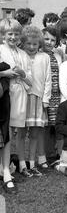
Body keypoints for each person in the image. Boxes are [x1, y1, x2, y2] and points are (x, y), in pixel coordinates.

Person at [17, 26, 51, 176]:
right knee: (21, 133)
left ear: (39, 44)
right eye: (28, 44)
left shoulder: (44, 57)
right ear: (23, 43)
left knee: (35, 133)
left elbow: (48, 79)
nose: (31, 47)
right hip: (22, 98)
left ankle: (32, 163)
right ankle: (22, 164)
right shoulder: (20, 55)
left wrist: (46, 99)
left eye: (35, 44)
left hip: (38, 99)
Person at [0, 19, 32, 177]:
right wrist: (6, 73)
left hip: (20, 94)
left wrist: (23, 73)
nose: (13, 37)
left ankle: (20, 162)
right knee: (4, 131)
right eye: (9, 34)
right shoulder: (0, 50)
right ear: (3, 35)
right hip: (4, 94)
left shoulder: (23, 54)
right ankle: (3, 166)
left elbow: (30, 80)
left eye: (16, 34)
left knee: (19, 130)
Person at [42, 26, 63, 161]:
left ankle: (57, 152)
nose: (49, 42)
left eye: (52, 40)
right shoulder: (39, 54)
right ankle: (45, 153)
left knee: (56, 124)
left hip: (57, 95)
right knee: (45, 125)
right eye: (46, 39)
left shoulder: (57, 55)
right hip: (44, 94)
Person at [0, 56, 16, 193]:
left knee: (5, 138)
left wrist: (4, 73)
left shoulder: (4, 66)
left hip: (2, 108)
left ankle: (6, 173)